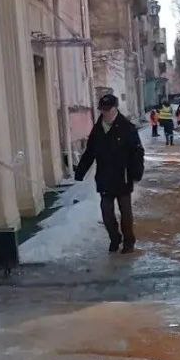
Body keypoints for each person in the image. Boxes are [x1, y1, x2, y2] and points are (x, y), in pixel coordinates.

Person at [75, 94, 144, 254]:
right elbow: (90, 152)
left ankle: (129, 241)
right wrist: (80, 171)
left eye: (108, 109)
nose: (105, 113)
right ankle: (115, 238)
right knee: (106, 211)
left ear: (115, 108)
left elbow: (137, 152)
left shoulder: (127, 127)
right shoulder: (98, 129)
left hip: (123, 176)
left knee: (125, 212)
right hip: (105, 177)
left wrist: (136, 172)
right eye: (102, 110)